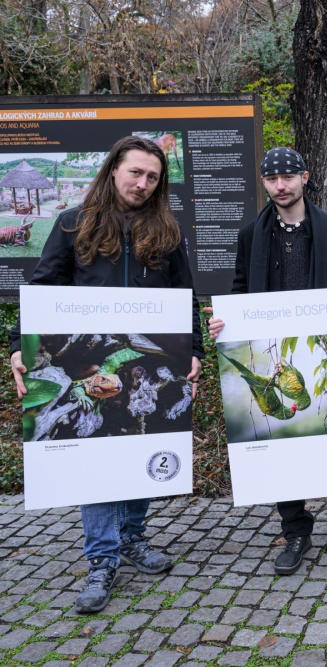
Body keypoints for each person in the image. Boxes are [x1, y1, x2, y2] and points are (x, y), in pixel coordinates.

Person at [9, 135, 204, 613]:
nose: (142, 183)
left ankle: (134, 537)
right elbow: (41, 288)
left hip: (144, 365)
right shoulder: (73, 225)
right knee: (96, 465)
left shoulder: (168, 232)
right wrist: (19, 346)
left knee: (141, 443)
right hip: (89, 364)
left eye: (152, 177)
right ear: (114, 169)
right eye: (135, 172)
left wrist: (193, 350)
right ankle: (101, 560)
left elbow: (186, 296)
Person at [206, 147, 327, 574]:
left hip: (320, 349)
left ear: (304, 178)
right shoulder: (251, 235)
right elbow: (238, 289)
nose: (280, 186)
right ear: (265, 183)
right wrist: (225, 324)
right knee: (282, 444)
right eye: (272, 179)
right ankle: (296, 530)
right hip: (276, 355)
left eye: (288, 176)